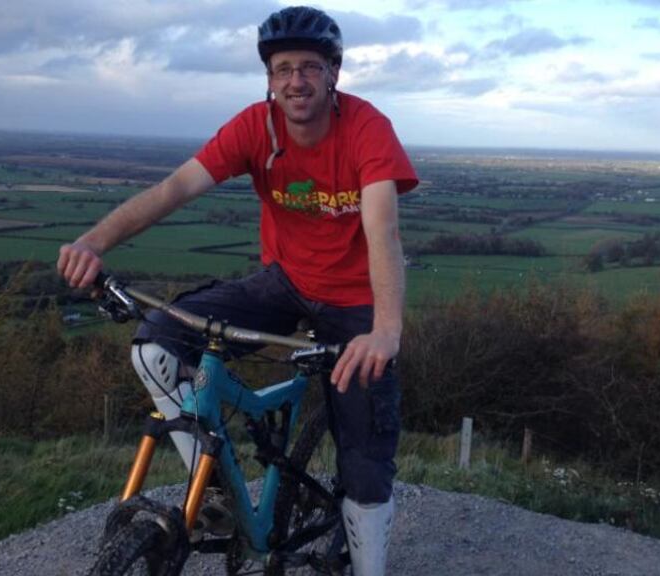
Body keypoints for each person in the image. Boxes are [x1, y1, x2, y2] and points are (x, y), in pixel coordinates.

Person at [57, 6, 417, 575]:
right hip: (284, 282)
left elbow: (383, 230)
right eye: (282, 70)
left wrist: (385, 332)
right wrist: (94, 242)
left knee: (367, 468)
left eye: (308, 67)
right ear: (269, 79)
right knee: (156, 343)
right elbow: (177, 188)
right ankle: (220, 491)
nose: (295, 80)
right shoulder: (256, 127)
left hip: (355, 298)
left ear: (333, 74)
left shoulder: (367, 128)